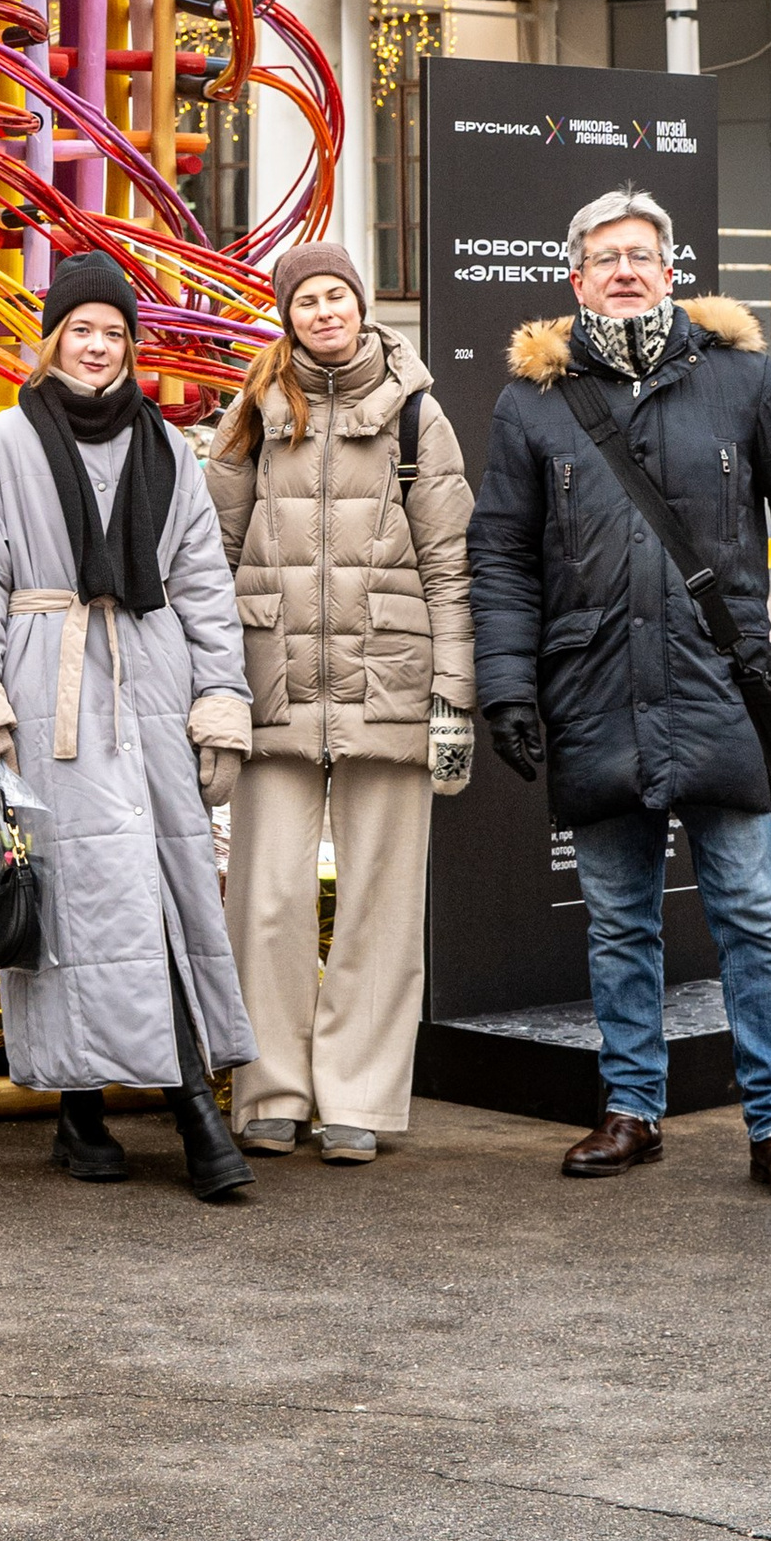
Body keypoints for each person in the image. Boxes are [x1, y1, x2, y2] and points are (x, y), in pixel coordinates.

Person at [468, 187, 771, 1203]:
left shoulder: (741, 381)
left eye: (642, 253)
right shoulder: (530, 404)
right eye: (606, 257)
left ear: (671, 270)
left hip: (718, 689)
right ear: (575, 277)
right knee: (617, 920)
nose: (626, 269)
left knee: (750, 917)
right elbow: (502, 552)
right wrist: (506, 685)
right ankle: (632, 1109)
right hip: (592, 691)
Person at [0, 249, 256, 1200]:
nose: (100, 347)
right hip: (48, 690)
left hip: (151, 688)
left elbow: (203, 583)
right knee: (66, 902)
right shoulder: (1, 445)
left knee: (163, 894)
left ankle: (181, 1099)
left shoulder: (168, 448)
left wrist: (220, 705)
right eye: (84, 330)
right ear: (52, 341)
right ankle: (107, 1110)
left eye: (115, 332)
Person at [204, 237, 476, 1164]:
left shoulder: (418, 413)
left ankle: (358, 1093)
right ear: (287, 314)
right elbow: (211, 553)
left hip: (391, 678)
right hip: (270, 680)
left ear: (362, 306)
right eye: (307, 300)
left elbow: (450, 560)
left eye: (338, 296)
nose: (326, 312)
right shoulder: (251, 412)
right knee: (268, 901)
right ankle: (272, 1089)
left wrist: (453, 694)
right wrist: (209, 686)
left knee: (380, 901)